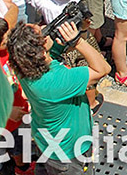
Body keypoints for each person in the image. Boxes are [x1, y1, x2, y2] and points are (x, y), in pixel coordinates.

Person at [6, 21, 110, 171]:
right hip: (69, 151)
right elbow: (103, 69)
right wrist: (78, 41)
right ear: (41, 52)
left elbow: (50, 58)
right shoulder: (56, 81)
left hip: (46, 139)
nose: (44, 28)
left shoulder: (23, 66)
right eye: (41, 32)